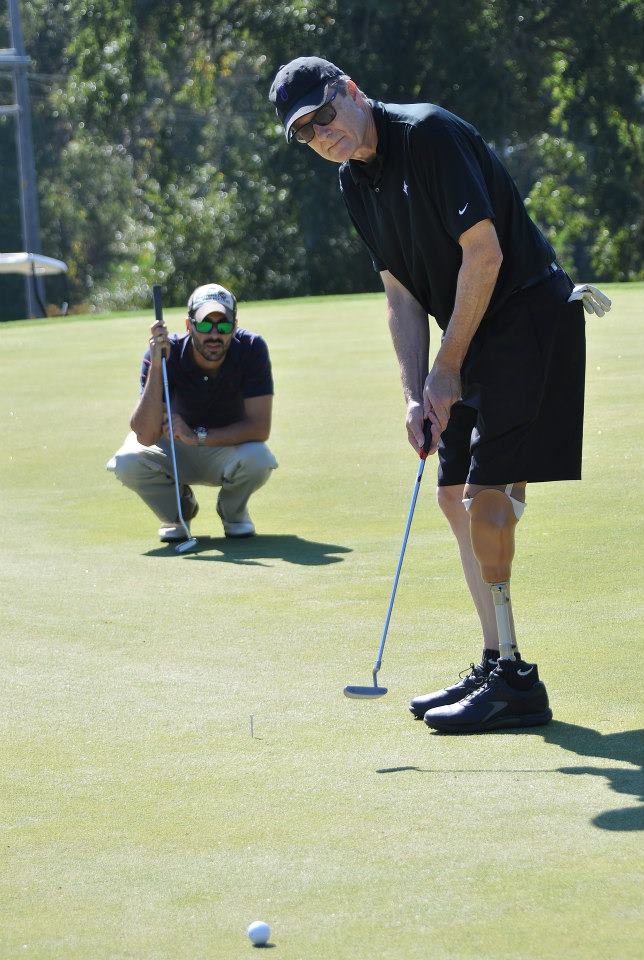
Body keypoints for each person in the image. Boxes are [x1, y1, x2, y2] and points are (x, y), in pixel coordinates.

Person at [269, 57, 611, 733]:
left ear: (353, 92)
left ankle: (516, 680)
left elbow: (482, 256)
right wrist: (413, 393)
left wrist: (446, 369)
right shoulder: (352, 182)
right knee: (451, 498)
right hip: (470, 338)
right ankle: (495, 659)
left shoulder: (428, 135)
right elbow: (399, 292)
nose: (323, 133)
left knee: (487, 503)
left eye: (325, 114)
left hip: (526, 321)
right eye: (306, 131)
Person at [107, 282, 278, 541]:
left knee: (259, 459)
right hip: (172, 449)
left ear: (234, 325)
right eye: (204, 324)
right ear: (189, 326)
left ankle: (232, 512)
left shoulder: (252, 348)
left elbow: (259, 428)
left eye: (222, 325)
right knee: (128, 461)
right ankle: (178, 511)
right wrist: (156, 364)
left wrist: (197, 436)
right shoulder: (165, 353)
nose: (214, 334)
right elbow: (145, 434)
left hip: (225, 447)